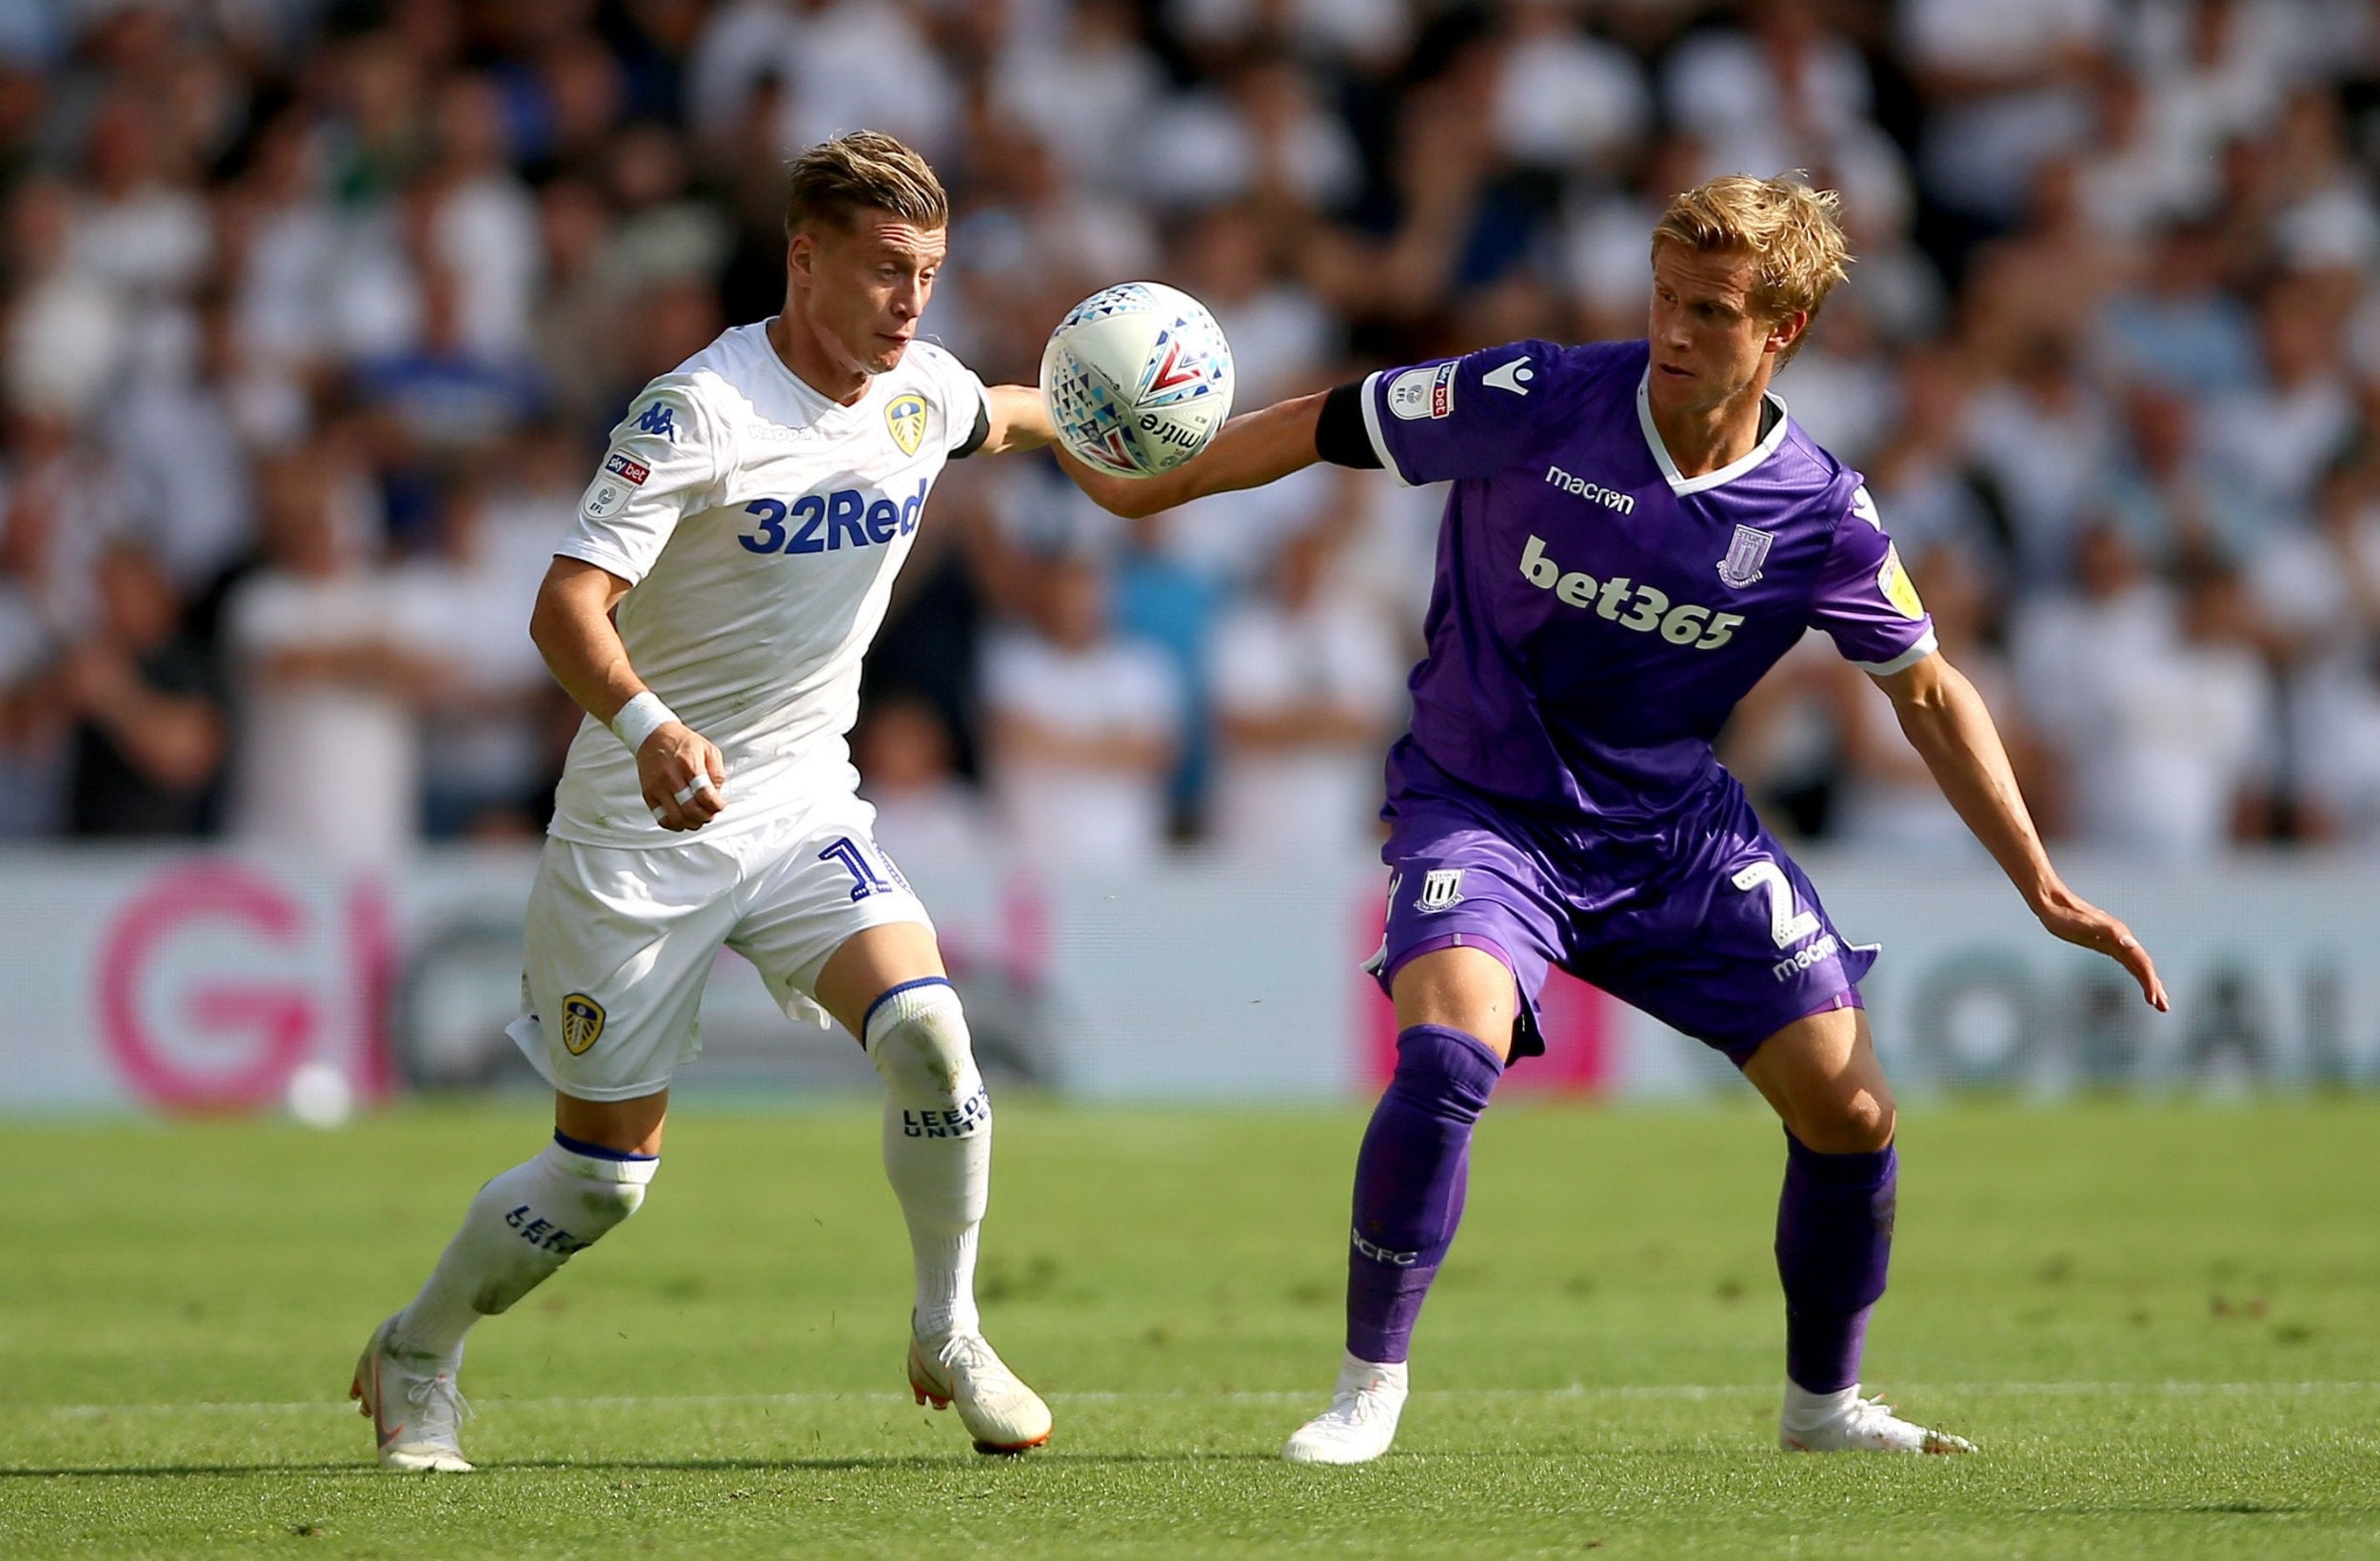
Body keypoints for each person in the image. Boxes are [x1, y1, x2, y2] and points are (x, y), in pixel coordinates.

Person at [1061, 174, 2169, 1463]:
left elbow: (1925, 687)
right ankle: (1368, 1389)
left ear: (1783, 334)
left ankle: (1823, 1408)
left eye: (1710, 311)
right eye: (1665, 299)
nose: (1675, 331)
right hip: (1481, 805)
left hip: (1671, 838)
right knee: (1447, 1052)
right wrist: (1158, 489)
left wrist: (2038, 880)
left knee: (1855, 1114)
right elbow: (1327, 424)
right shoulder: (1538, 399)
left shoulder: (1818, 512)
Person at [351, 131, 1058, 1471]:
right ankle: (418, 1348)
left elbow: (1014, 414)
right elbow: (564, 606)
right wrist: (647, 722)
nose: (912, 304)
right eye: (885, 272)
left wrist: (1151, 424)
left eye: (931, 275)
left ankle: (949, 1327)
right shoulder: (700, 411)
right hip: (644, 825)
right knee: (603, 1182)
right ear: (804, 259)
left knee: (931, 1037)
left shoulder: (919, 394)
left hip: (800, 805)